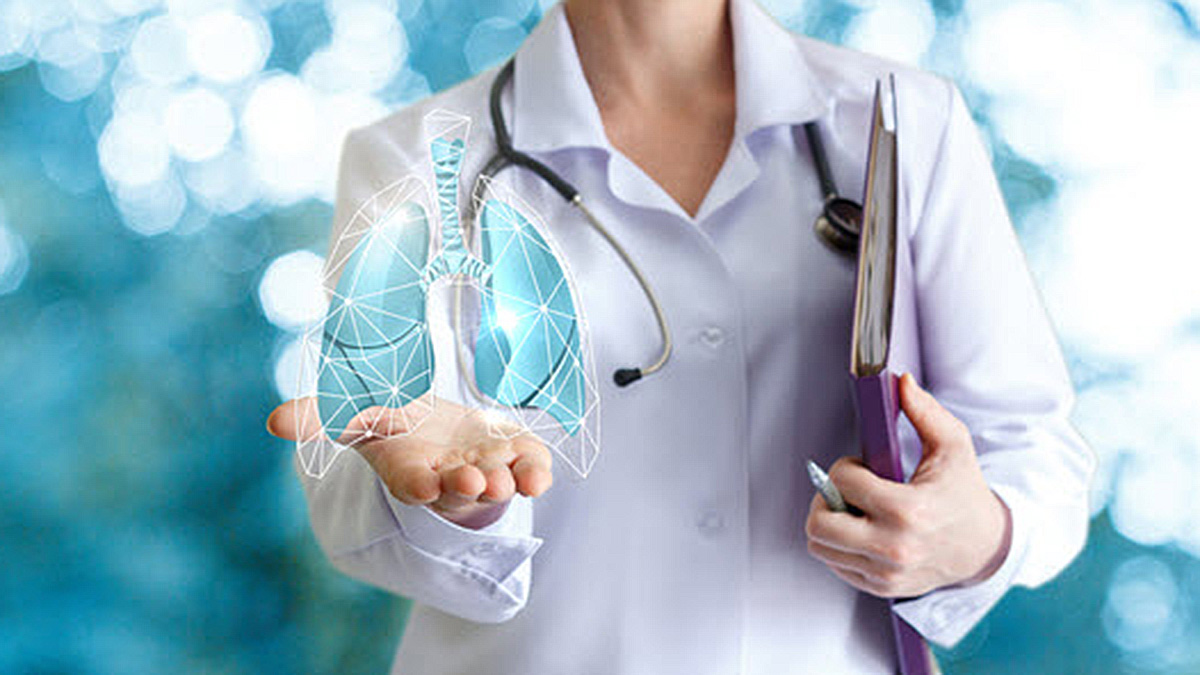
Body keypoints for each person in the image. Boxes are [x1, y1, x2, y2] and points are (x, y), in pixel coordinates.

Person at [266, 0, 1096, 672]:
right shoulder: (413, 155)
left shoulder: (907, 120)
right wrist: (457, 498)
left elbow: (1030, 446)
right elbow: (355, 503)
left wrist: (976, 532)